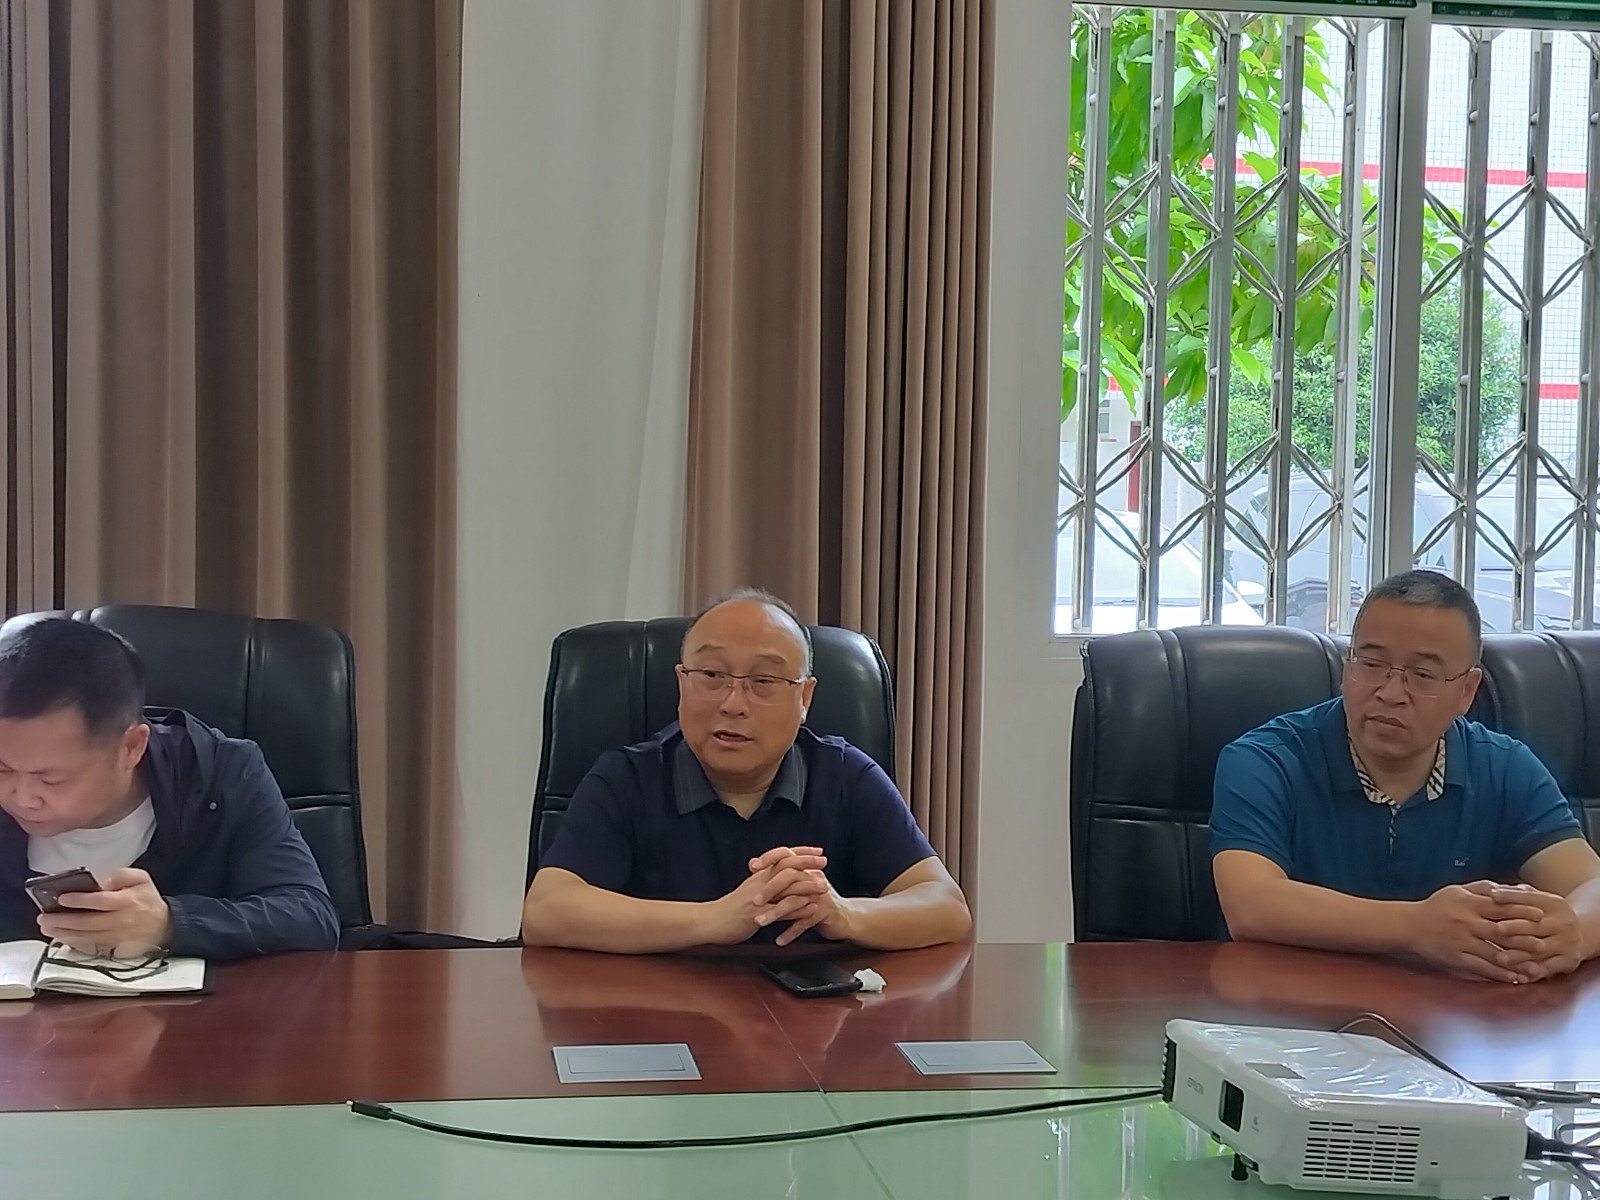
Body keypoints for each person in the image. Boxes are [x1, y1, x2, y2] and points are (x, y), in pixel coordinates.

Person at [521, 589, 972, 953]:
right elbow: (546, 911)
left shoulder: (845, 776)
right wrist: (716, 919)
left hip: (812, 1024)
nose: (733, 704)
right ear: (681, 683)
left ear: (804, 699)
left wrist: (842, 913)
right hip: (660, 1019)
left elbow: (947, 908)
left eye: (764, 681)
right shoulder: (627, 778)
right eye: (711, 675)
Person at [1211, 569, 1600, 983]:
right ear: (1346, 668)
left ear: (1466, 691)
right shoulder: (1266, 760)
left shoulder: (1503, 768)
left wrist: (1573, 933)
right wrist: (1416, 927)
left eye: (1423, 675)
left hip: (1450, 1014)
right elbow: (1251, 904)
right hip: (1289, 1008)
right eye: (1371, 664)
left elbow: (1591, 884)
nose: (1391, 693)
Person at [0, 617, 339, 960]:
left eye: (51, 779)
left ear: (131, 747)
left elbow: (311, 917)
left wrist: (170, 923)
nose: (22, 798)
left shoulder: (220, 774)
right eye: (2, 769)